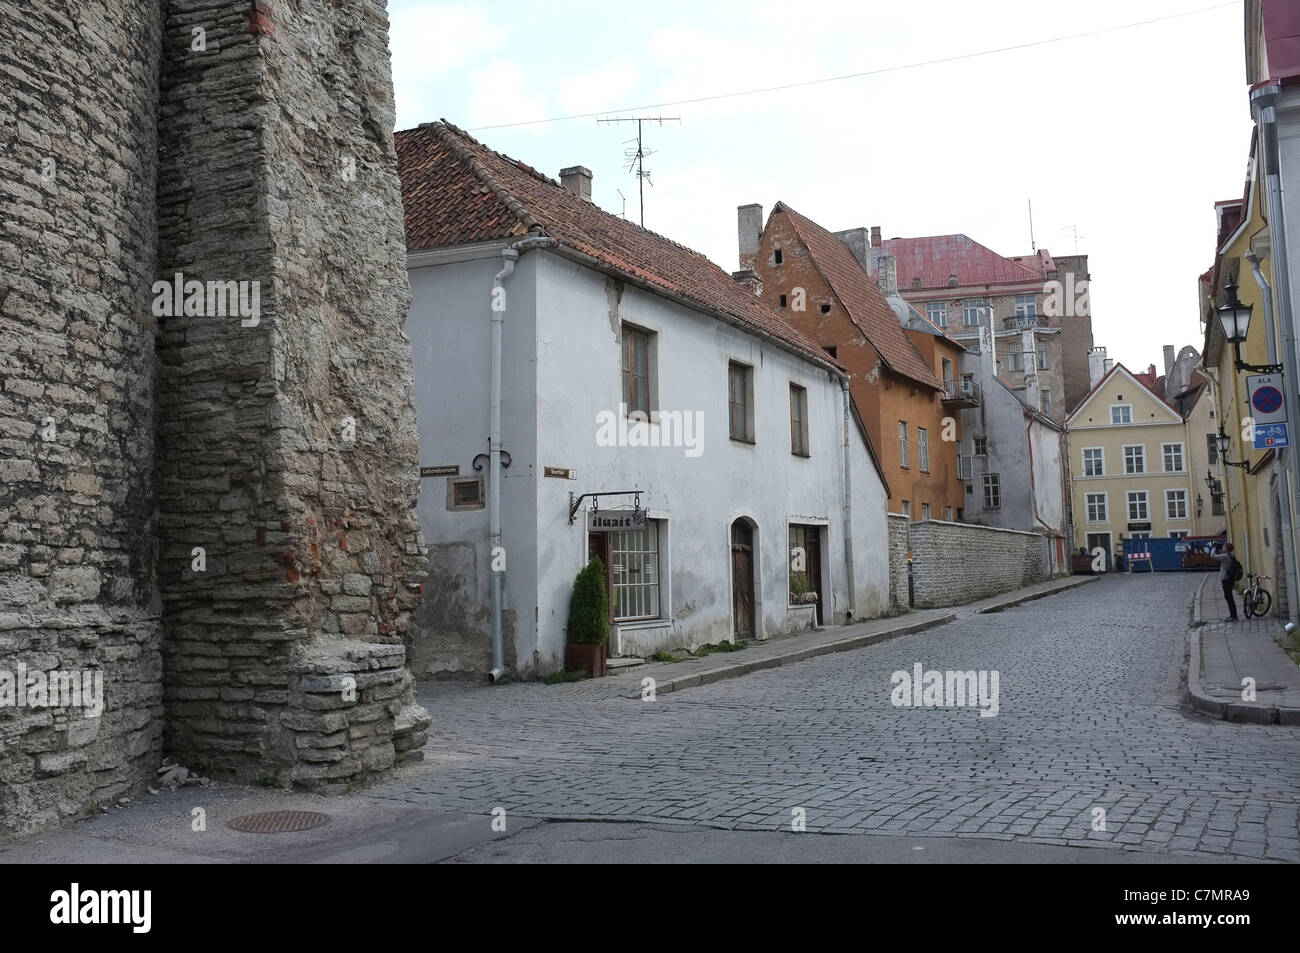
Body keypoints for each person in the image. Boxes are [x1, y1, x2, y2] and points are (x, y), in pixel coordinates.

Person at [1212, 542, 1238, 621]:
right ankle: (1233, 615)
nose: (1222, 548)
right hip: (1230, 578)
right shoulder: (1230, 555)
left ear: (1226, 548)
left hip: (1226, 579)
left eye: (1224, 546)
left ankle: (1233, 616)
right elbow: (1221, 555)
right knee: (1229, 597)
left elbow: (1212, 555)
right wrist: (1219, 550)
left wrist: (1214, 548)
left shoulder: (1225, 556)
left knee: (1229, 598)